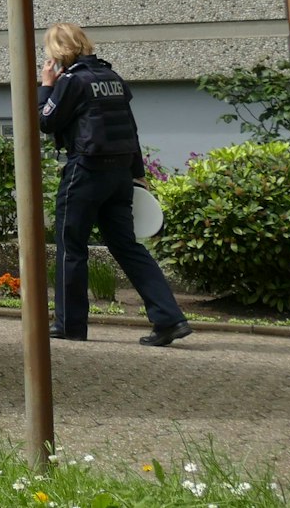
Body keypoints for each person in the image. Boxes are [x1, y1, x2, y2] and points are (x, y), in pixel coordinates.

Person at [39, 22, 191, 347]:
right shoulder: (112, 79)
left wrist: (46, 86)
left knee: (71, 247)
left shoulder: (71, 81)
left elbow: (46, 121)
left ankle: (70, 325)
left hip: (85, 172)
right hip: (120, 174)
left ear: (58, 51)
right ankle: (169, 318)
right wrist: (138, 174)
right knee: (128, 247)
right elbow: (130, 129)